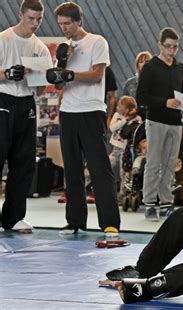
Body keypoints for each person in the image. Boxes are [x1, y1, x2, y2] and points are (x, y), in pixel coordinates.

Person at [48, 2, 120, 237]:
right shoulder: (65, 47)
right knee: (72, 170)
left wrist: (70, 74)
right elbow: (58, 84)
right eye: (60, 24)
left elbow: (97, 74)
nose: (64, 28)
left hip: (91, 111)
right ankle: (75, 221)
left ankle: (109, 223)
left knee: (100, 169)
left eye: (67, 23)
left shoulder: (97, 41)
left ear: (79, 21)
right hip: (68, 112)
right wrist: (62, 63)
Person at [0, 0, 52, 233]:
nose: (34, 24)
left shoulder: (40, 48)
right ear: (21, 14)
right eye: (30, 18)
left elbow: (41, 90)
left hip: (27, 103)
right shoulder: (3, 39)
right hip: (3, 99)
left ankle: (13, 218)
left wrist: (37, 77)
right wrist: (8, 73)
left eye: (39, 19)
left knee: (24, 161)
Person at [136, 27, 183, 221]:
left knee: (170, 164)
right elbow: (141, 96)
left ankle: (166, 202)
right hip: (156, 120)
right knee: (154, 163)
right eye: (168, 46)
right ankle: (149, 203)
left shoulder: (180, 68)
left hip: (176, 122)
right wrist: (164, 102)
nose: (171, 50)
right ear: (160, 45)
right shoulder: (150, 67)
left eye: (175, 47)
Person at [109, 96, 140, 195]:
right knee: (109, 165)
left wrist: (134, 119)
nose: (118, 107)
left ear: (127, 109)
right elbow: (112, 128)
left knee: (124, 171)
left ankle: (123, 192)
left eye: (120, 106)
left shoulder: (134, 119)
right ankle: (108, 190)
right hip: (115, 149)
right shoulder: (117, 115)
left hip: (125, 149)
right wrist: (124, 120)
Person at [123, 51, 152, 118]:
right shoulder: (129, 83)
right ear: (137, 65)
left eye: (147, 62)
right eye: (141, 62)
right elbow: (124, 104)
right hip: (132, 119)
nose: (144, 64)